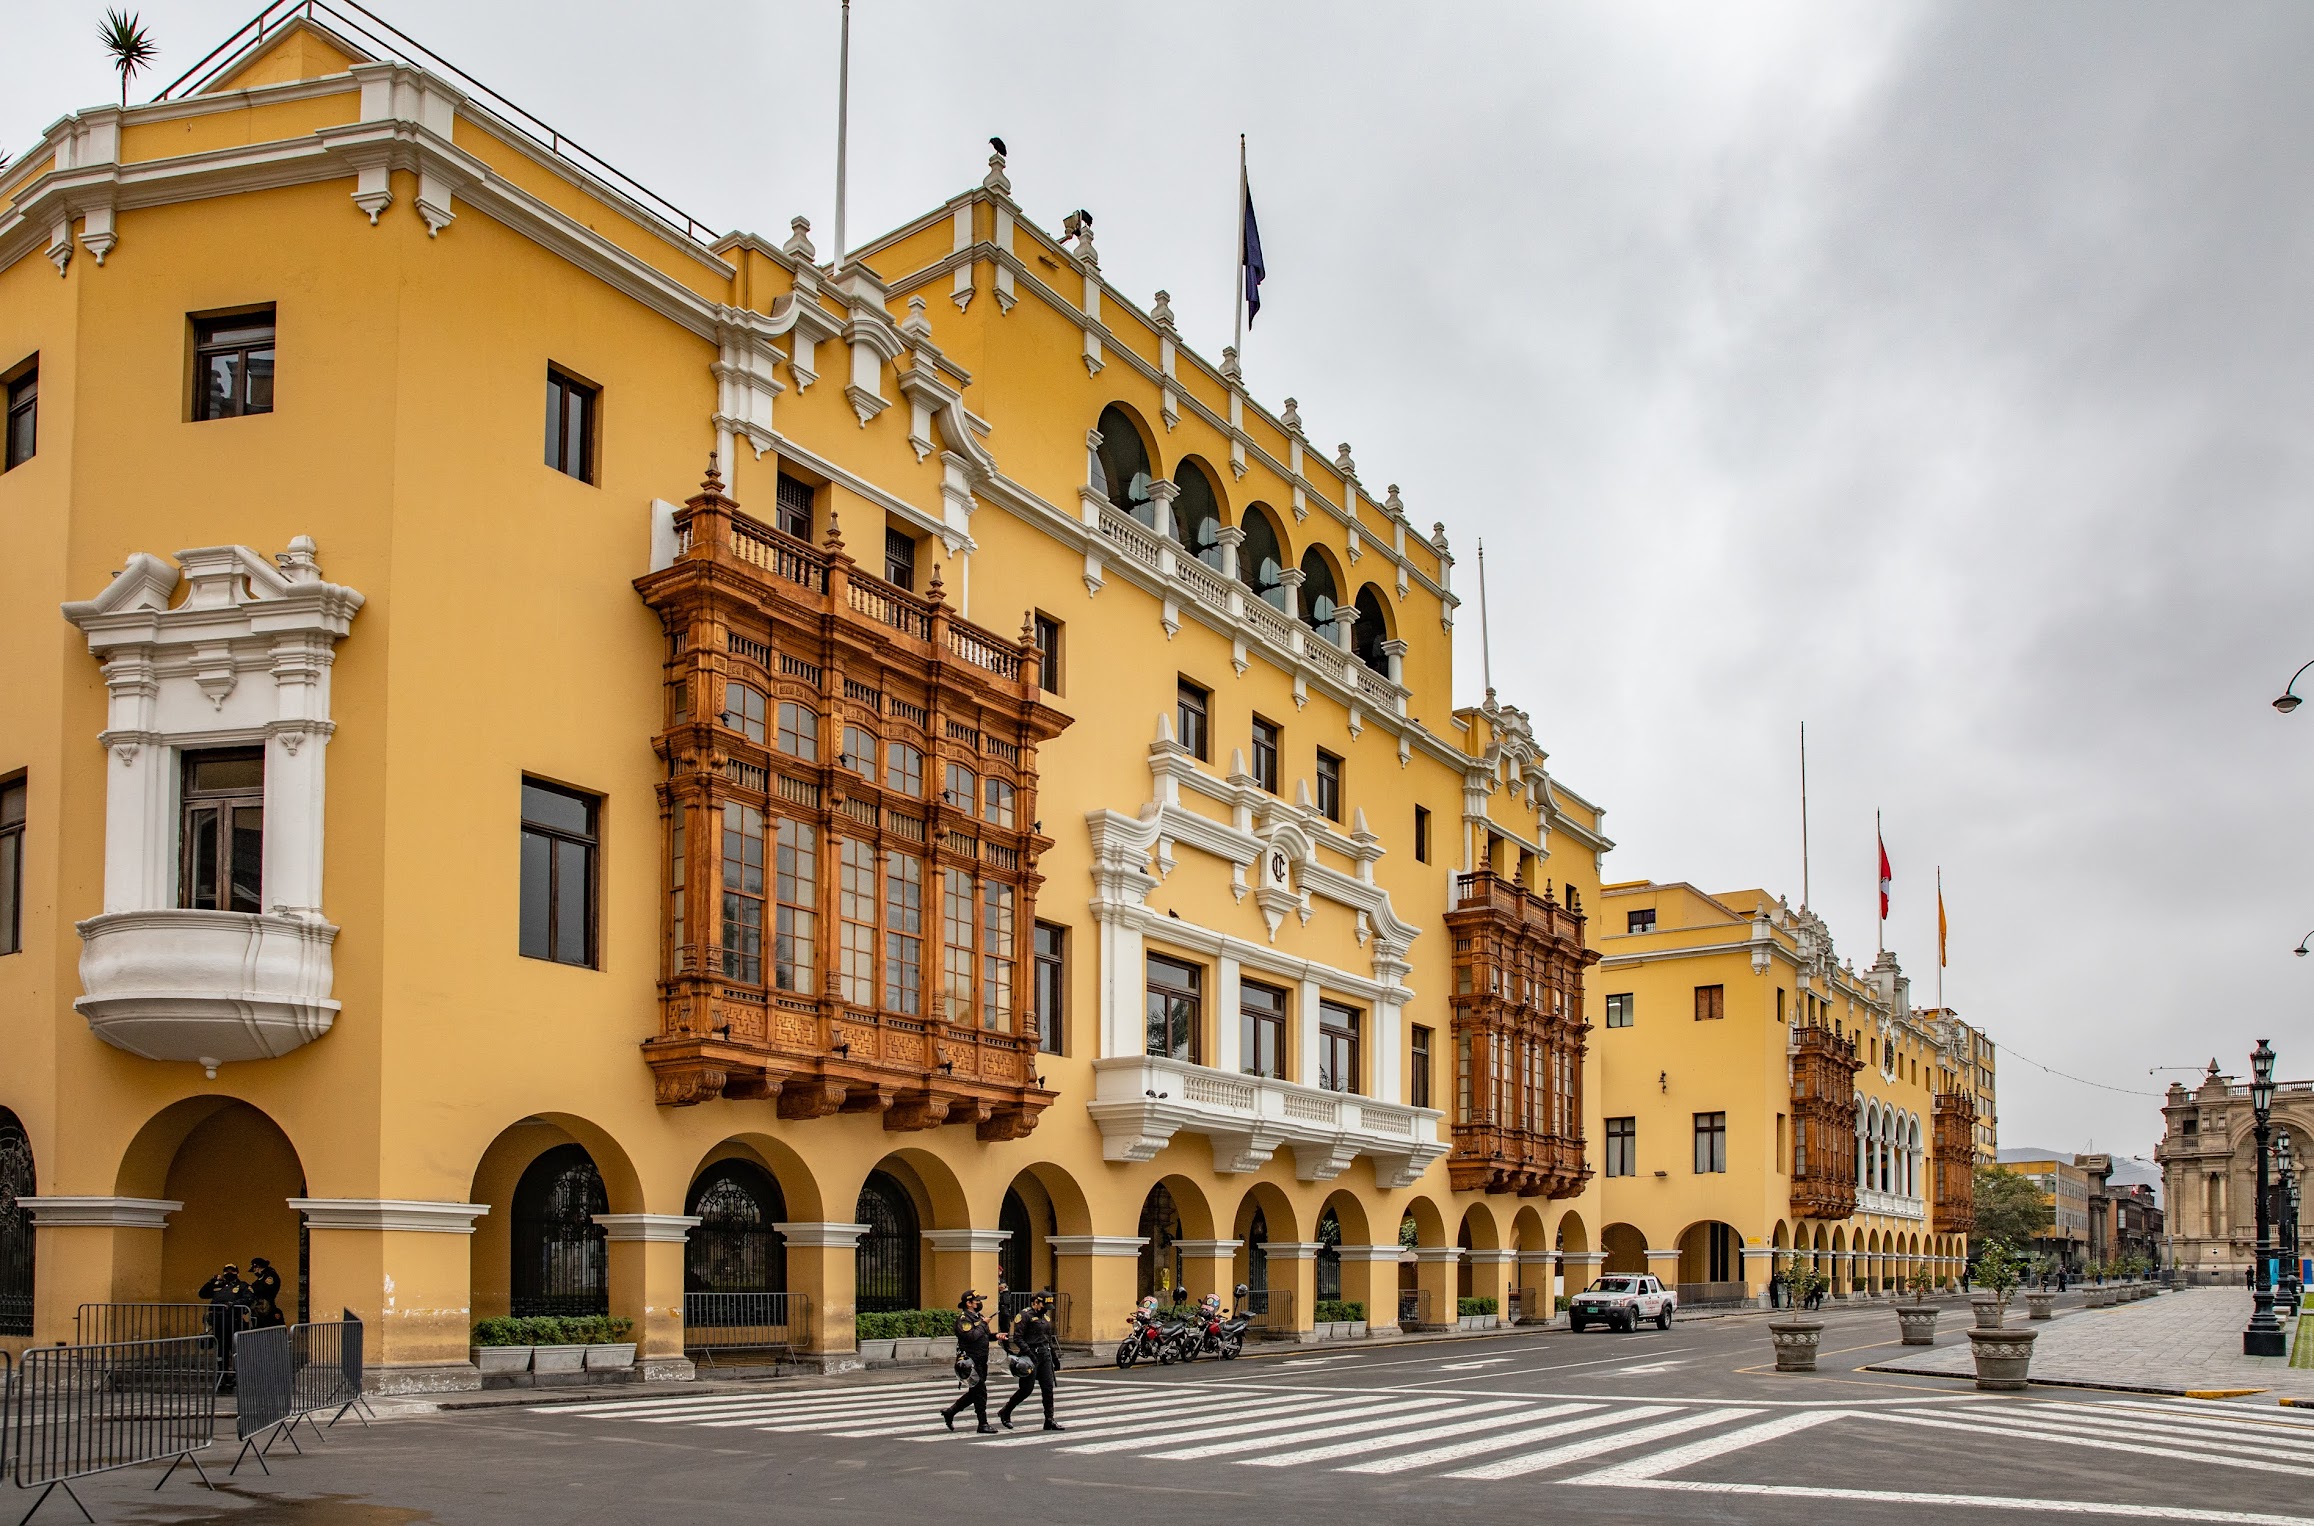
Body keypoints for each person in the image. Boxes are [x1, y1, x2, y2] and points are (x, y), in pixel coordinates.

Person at [997, 1291, 1063, 1432]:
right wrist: (1029, 1353)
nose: (1046, 1309)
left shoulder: (1045, 1318)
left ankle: (1049, 1419)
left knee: (1048, 1388)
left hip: (1045, 1356)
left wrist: (1055, 1358)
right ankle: (1005, 1411)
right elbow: (1018, 1338)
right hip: (1029, 1356)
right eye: (1044, 1305)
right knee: (1026, 1389)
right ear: (1036, 1303)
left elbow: (1048, 1339)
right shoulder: (1025, 1315)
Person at [939, 1289, 998, 1434]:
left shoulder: (979, 1317)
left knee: (975, 1392)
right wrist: (983, 1324)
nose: (980, 1303)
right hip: (971, 1360)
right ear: (969, 1303)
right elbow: (970, 1336)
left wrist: (997, 1336)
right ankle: (982, 1424)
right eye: (977, 1301)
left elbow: (984, 1335)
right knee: (980, 1392)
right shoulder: (964, 1319)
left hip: (981, 1359)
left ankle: (950, 1412)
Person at [246, 1257, 286, 1330]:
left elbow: (266, 1289)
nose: (254, 1272)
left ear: (258, 1267)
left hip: (267, 1309)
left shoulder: (270, 1275)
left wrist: (253, 1289)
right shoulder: (263, 1276)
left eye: (255, 1269)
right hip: (260, 1310)